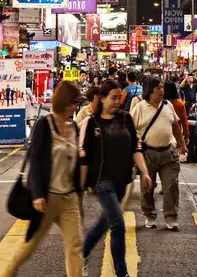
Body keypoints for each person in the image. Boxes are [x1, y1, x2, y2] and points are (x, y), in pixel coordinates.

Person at [9, 82, 84, 277]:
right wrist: (38, 194)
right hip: (48, 198)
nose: (74, 107)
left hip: (69, 198)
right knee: (30, 245)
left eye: (77, 103)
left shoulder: (74, 127)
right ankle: (8, 272)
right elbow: (34, 159)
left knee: (75, 246)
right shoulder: (44, 124)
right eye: (72, 103)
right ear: (63, 101)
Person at [80, 79, 152, 277]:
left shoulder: (125, 119)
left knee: (105, 222)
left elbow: (135, 149)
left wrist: (144, 171)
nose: (117, 102)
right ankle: (122, 273)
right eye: (113, 98)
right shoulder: (91, 122)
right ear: (101, 98)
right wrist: (80, 187)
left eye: (119, 98)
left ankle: (81, 255)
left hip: (121, 181)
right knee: (118, 225)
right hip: (102, 182)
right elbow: (83, 156)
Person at [131, 76, 186, 230]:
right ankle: (149, 214)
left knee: (171, 187)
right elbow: (130, 129)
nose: (161, 91)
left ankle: (171, 217)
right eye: (157, 89)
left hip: (168, 152)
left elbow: (176, 125)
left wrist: (181, 143)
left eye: (162, 88)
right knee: (147, 187)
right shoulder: (139, 108)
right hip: (147, 153)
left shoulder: (168, 105)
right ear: (149, 91)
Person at [164, 80, 190, 149]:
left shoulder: (160, 103)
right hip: (176, 136)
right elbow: (184, 121)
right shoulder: (179, 103)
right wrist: (186, 136)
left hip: (163, 135)